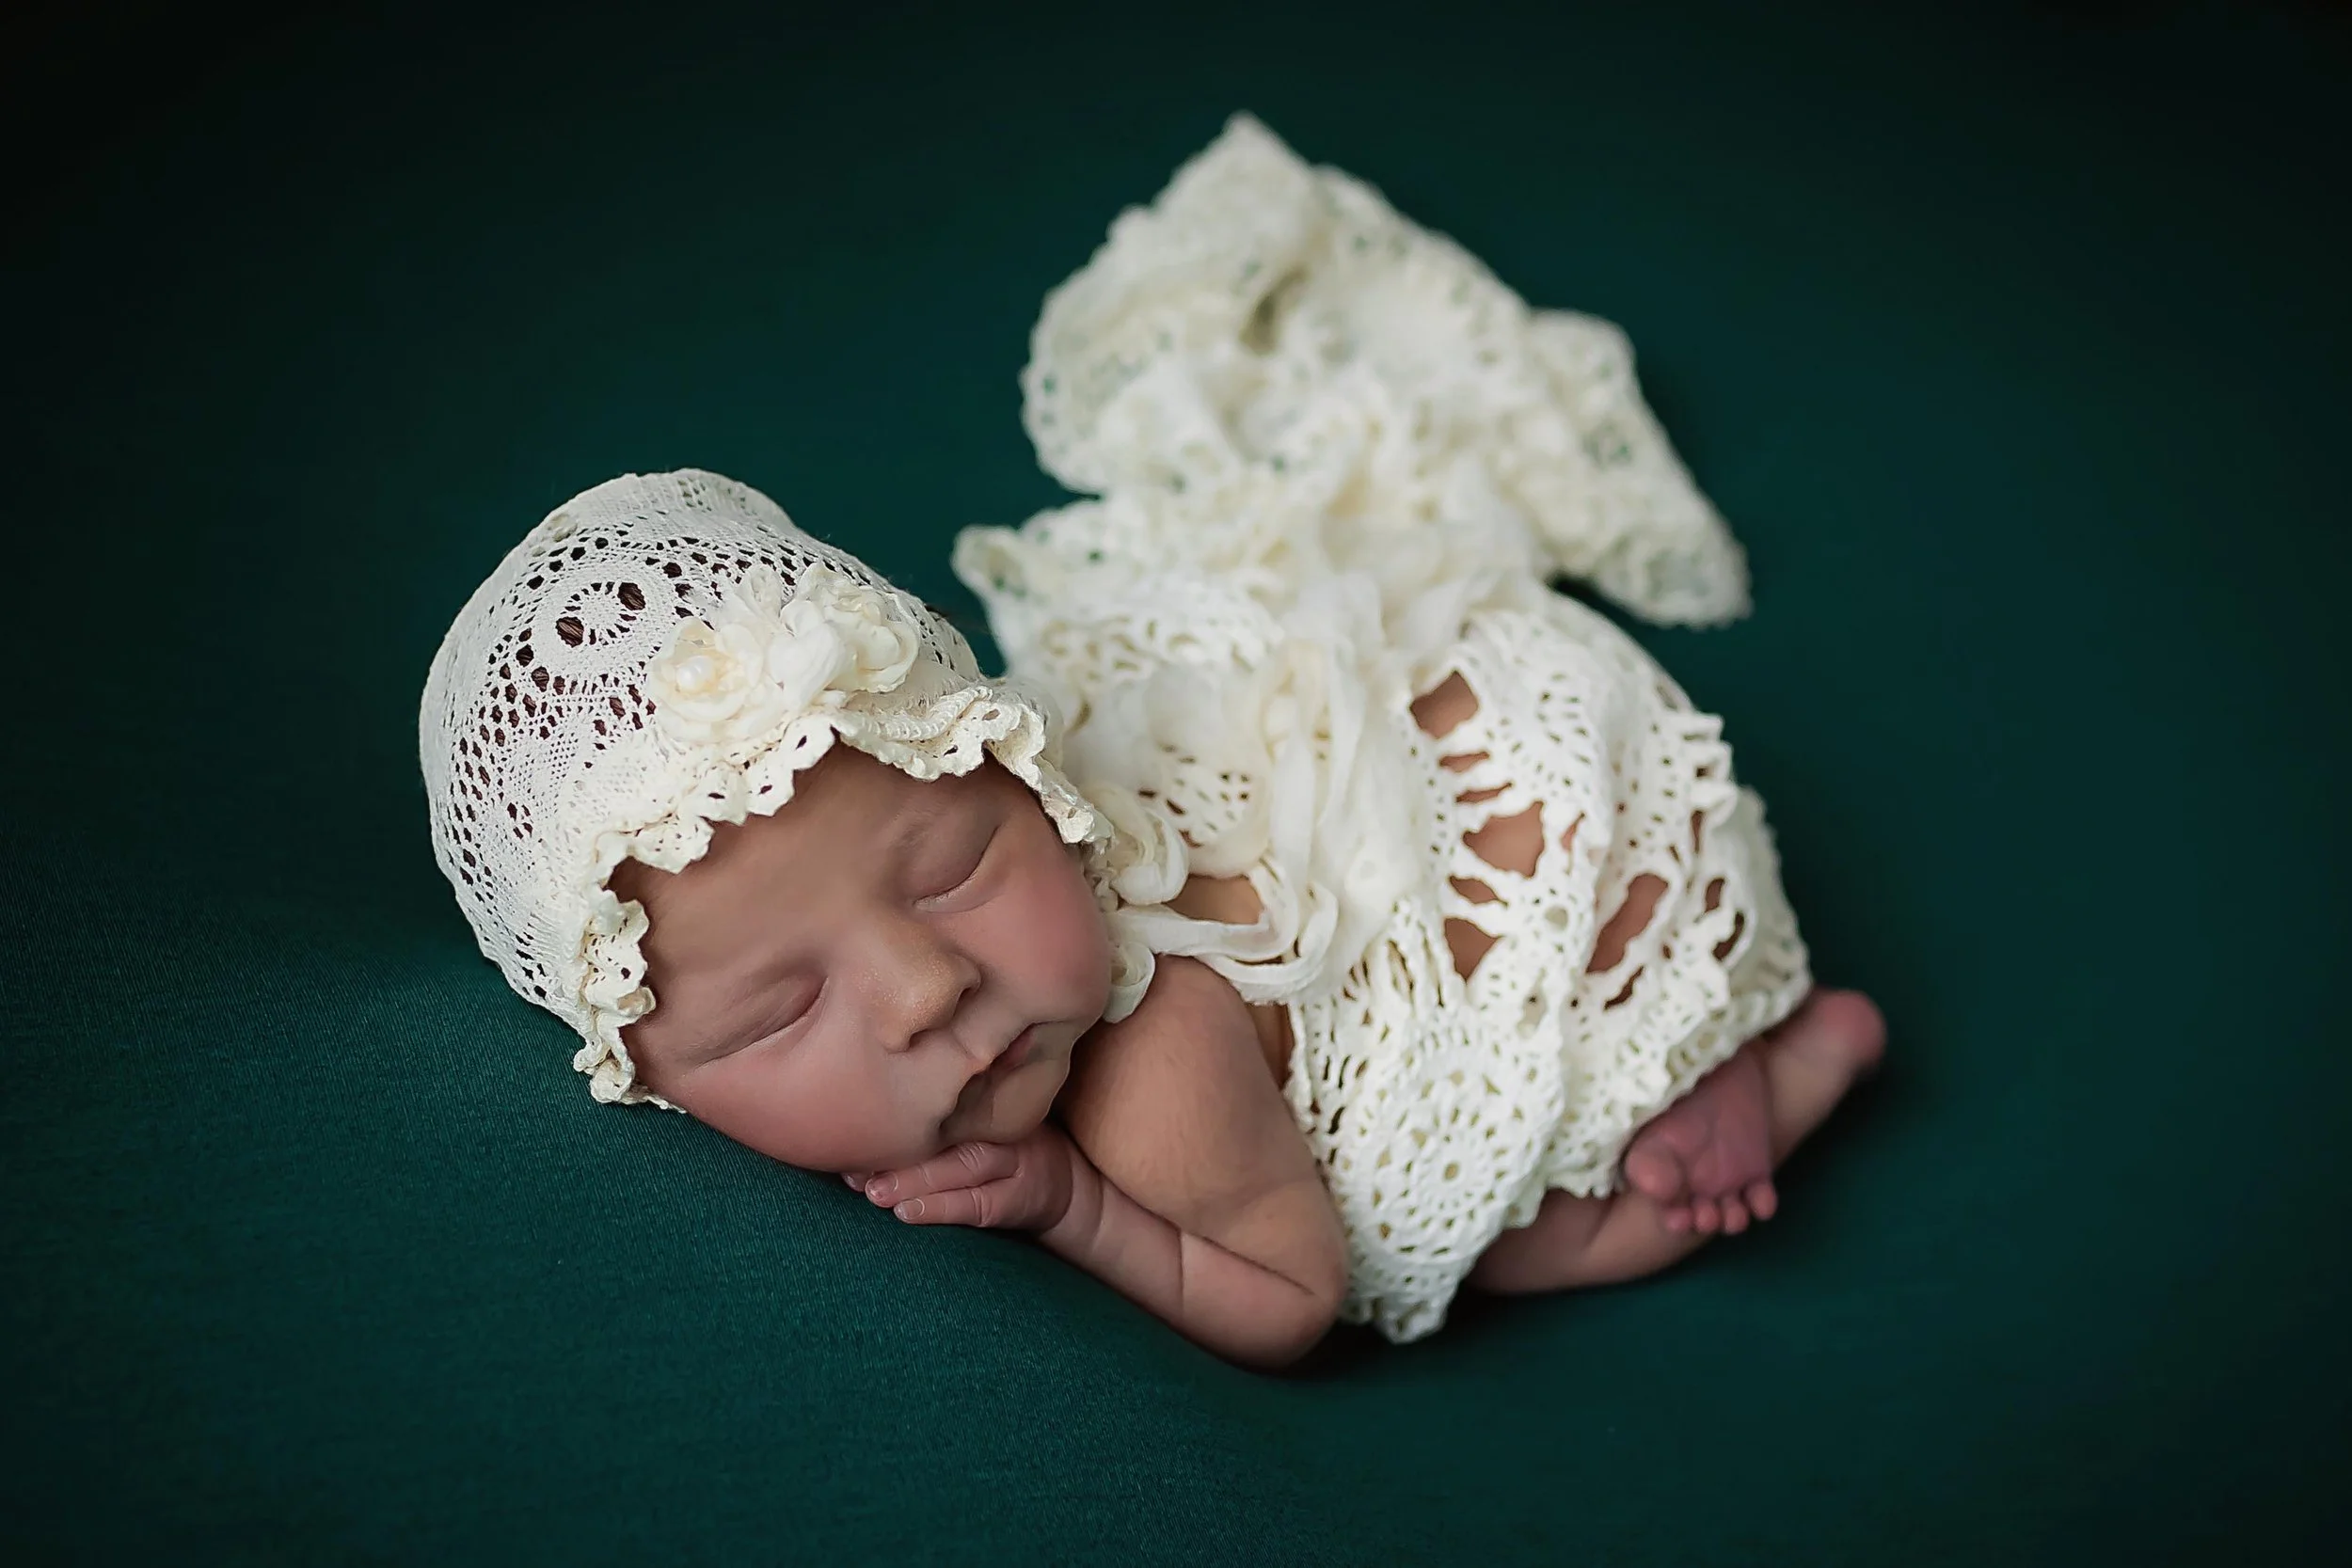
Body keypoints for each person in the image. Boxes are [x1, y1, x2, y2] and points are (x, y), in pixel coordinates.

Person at [419, 120, 1883, 1370]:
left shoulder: (1151, 1064)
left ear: (1021, 773)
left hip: (1545, 839)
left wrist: (1078, 1206)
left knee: (1495, 1234)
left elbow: (1295, 1295)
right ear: (651, 1076)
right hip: (1366, 780)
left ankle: (1751, 1063)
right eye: (780, 1010)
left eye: (954, 871)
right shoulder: (893, 958)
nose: (930, 988)